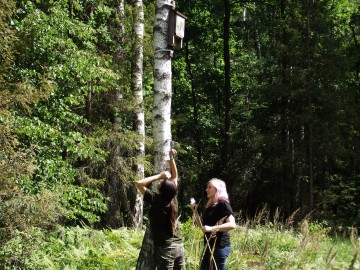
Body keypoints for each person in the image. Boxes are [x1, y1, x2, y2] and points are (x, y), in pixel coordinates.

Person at [135, 149, 185, 270]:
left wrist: (159, 175)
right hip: (179, 245)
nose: (160, 181)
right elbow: (175, 176)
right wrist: (171, 159)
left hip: (165, 248)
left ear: (162, 189)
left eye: (161, 182)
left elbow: (139, 183)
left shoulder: (155, 199)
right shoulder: (173, 199)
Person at [190, 178, 236, 270]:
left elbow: (232, 225)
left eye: (209, 187)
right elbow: (203, 227)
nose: (206, 190)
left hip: (220, 247)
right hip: (208, 246)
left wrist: (212, 228)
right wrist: (194, 211)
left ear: (217, 189)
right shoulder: (210, 206)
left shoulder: (223, 204)